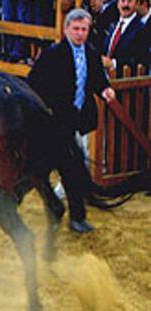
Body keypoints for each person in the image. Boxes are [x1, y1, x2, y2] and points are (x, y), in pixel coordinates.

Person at [27, 8, 116, 233]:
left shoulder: (92, 52)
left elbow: (96, 78)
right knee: (64, 167)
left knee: (67, 167)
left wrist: (105, 90)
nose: (79, 34)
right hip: (56, 121)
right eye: (75, 29)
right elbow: (33, 82)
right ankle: (74, 215)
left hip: (79, 118)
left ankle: (77, 217)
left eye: (84, 29)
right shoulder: (53, 54)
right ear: (66, 30)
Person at [101, 0, 147, 73]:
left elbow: (141, 59)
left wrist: (113, 63)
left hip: (126, 80)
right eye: (122, 1)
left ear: (137, 3)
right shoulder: (112, 25)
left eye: (129, 1)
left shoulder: (142, 29)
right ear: (118, 3)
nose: (125, 5)